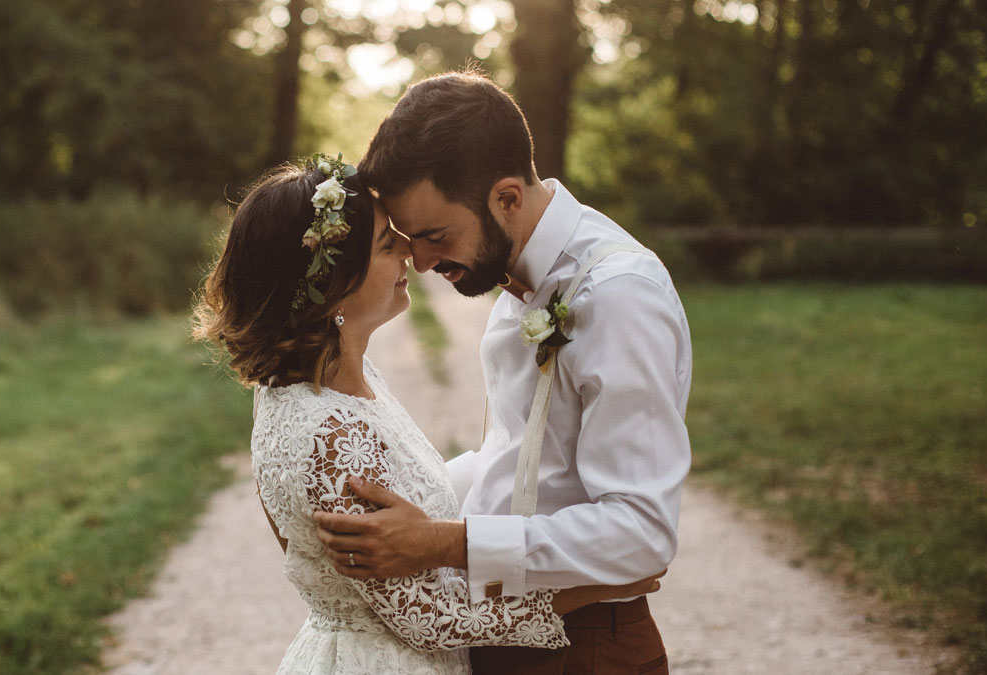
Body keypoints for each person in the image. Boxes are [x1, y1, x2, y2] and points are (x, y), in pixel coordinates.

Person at [192, 154, 664, 675]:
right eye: (388, 244)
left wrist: (439, 533)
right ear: (332, 288)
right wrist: (594, 589)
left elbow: (412, 486)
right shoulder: (334, 432)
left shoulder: (324, 384)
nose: (411, 258)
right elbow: (431, 620)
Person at [313, 71, 693, 675]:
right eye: (411, 239)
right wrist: (396, 486)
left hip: (583, 646)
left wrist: (443, 542)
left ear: (508, 198)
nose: (422, 261)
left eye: (436, 236)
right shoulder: (509, 274)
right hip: (501, 632)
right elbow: (516, 459)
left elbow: (642, 533)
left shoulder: (619, 296)